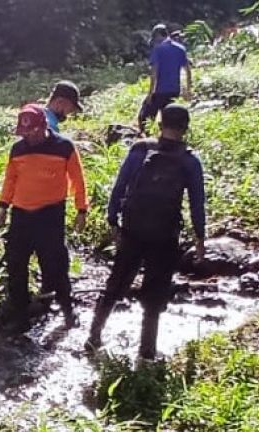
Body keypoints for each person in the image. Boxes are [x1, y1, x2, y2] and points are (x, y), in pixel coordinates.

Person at [86, 104, 206, 360]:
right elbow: (197, 203)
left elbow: (120, 186)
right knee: (155, 293)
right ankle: (147, 352)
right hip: (165, 235)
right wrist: (200, 238)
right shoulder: (190, 160)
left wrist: (112, 219)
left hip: (132, 228)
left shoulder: (140, 149)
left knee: (116, 284)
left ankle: (93, 337)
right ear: (185, 128)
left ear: (160, 124)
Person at [0, 104, 88, 332]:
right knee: (16, 266)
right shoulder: (18, 150)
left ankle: (67, 311)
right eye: (24, 132)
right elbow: (11, 179)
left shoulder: (64, 147)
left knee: (55, 264)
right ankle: (20, 317)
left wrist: (81, 210)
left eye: (32, 131)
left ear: (43, 126)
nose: (28, 136)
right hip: (21, 215)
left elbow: (78, 180)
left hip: (50, 214)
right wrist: (2, 207)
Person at [138, 24, 192, 134]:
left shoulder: (158, 49)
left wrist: (150, 93)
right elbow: (188, 70)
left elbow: (155, 73)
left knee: (145, 117)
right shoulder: (180, 49)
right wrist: (188, 90)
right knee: (168, 119)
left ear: (158, 36)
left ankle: (146, 138)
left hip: (159, 91)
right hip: (174, 91)